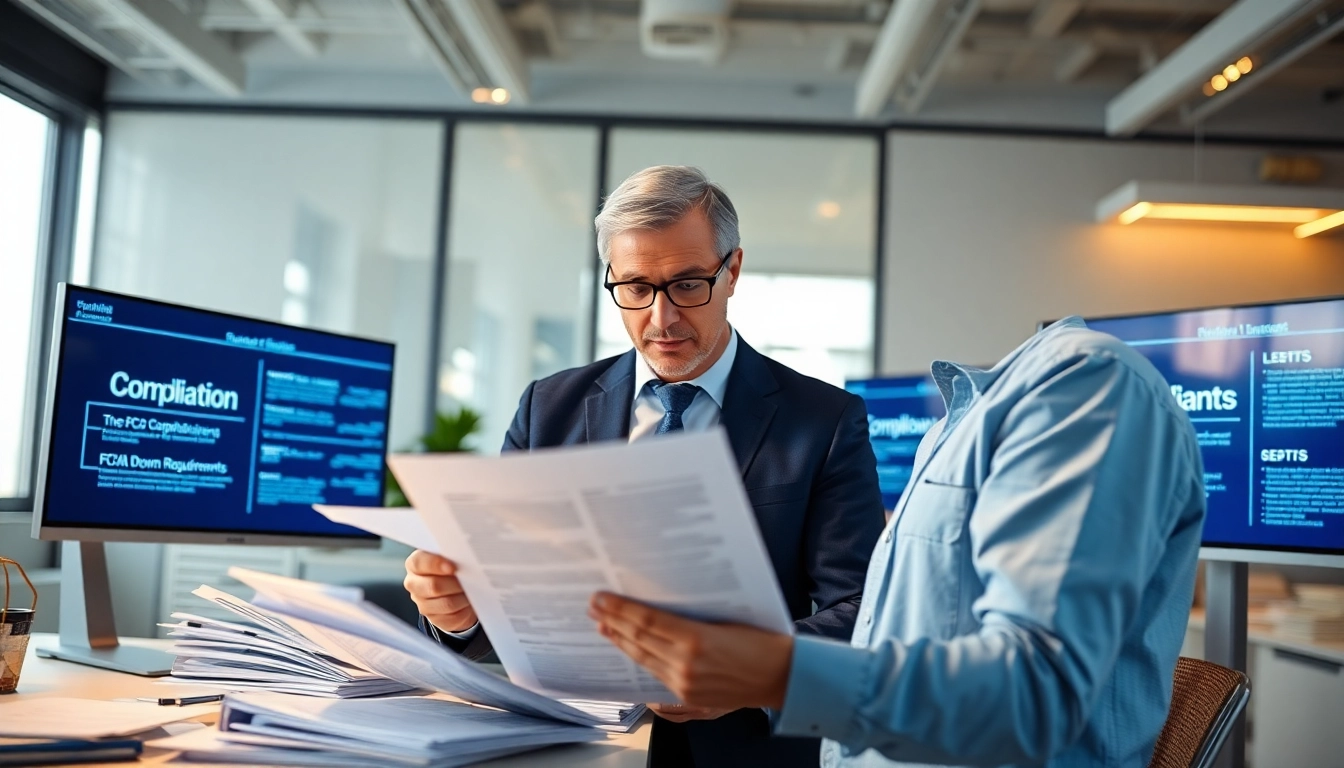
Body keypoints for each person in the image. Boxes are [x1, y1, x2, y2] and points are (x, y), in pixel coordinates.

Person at [403, 165, 885, 767]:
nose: (661, 320)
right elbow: (496, 600)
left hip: (744, 750)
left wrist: (746, 673)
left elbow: (864, 607)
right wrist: (455, 614)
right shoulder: (549, 408)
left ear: (732, 271)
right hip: (572, 745)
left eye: (687, 284)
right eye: (634, 287)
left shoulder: (824, 420)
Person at [586, 317, 1208, 768]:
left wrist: (768, 668)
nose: (663, 316)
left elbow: (1034, 694)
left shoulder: (1085, 382)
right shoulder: (959, 420)